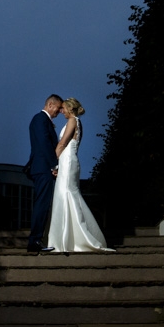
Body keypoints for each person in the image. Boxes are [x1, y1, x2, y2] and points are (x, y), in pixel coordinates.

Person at [47, 98, 114, 252]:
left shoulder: (73, 121)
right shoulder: (73, 121)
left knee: (67, 194)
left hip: (68, 161)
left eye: (63, 108)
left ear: (70, 108)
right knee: (64, 195)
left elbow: (63, 143)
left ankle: (73, 238)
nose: (61, 111)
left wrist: (51, 162)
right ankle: (66, 238)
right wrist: (57, 164)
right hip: (65, 161)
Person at [26, 94, 63, 252]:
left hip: (42, 168)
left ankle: (37, 240)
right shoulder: (40, 119)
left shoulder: (43, 120)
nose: (59, 111)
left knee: (43, 203)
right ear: (50, 104)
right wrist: (54, 166)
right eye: (58, 107)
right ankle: (34, 241)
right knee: (42, 204)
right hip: (43, 168)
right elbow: (43, 144)